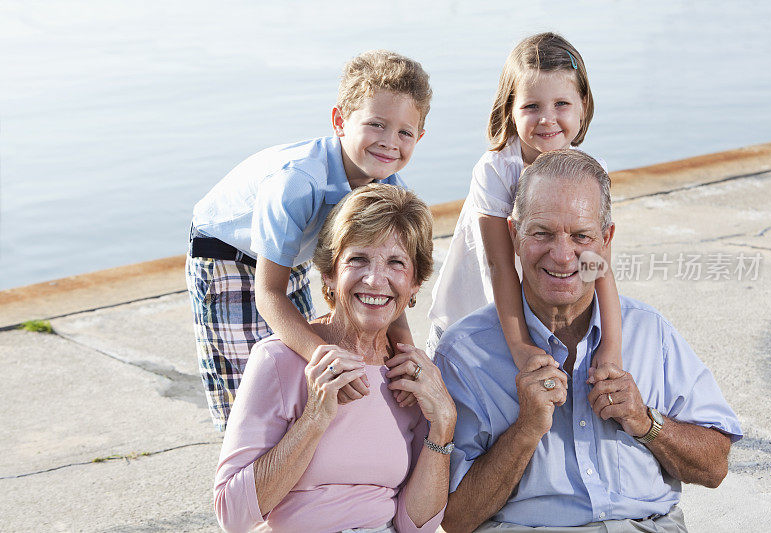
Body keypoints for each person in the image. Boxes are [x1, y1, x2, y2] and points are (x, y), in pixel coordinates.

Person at [434, 150, 742, 532]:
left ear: (606, 238)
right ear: (514, 235)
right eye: (542, 233)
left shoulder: (650, 332)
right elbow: (455, 520)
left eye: (581, 236)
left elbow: (715, 467)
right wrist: (525, 430)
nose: (563, 256)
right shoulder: (463, 354)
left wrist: (645, 422)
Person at [187, 50, 431, 430]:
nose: (389, 142)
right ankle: (243, 468)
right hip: (227, 255)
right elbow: (269, 295)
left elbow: (387, 282)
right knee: (252, 381)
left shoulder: (388, 186)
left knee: (303, 367)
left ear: (419, 136)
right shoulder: (296, 182)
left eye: (404, 132)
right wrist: (324, 356)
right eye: (376, 124)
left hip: (294, 252)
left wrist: (406, 353)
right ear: (340, 121)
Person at [214, 184, 456, 533]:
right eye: (358, 259)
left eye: (396, 262)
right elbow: (231, 515)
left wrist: (444, 422)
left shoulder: (412, 376)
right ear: (329, 273)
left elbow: (415, 525)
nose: (375, 279)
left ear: (415, 282)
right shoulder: (277, 360)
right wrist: (314, 418)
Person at [427, 33, 622, 381]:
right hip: (477, 303)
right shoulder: (496, 171)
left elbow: (597, 263)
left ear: (583, 105)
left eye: (561, 104)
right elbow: (500, 266)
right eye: (532, 107)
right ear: (511, 111)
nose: (547, 119)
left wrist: (611, 345)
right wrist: (518, 345)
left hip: (537, 301)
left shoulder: (592, 171)